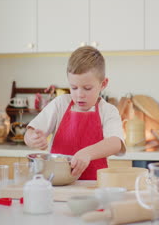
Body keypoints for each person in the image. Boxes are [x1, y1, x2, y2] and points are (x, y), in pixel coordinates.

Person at [24, 46, 126, 180]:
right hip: (58, 183)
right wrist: (33, 139)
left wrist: (87, 153)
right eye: (73, 87)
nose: (79, 95)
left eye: (87, 88)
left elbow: (116, 143)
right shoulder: (60, 104)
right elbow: (29, 133)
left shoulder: (108, 110)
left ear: (103, 84)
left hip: (94, 186)